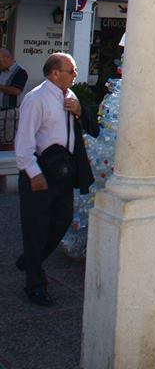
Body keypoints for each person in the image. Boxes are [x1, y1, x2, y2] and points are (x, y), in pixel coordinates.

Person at [14, 52, 98, 306]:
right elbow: (24, 140)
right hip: (41, 171)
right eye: (70, 71)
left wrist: (79, 110)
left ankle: (31, 259)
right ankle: (35, 284)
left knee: (61, 221)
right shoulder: (36, 99)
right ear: (54, 73)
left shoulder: (70, 96)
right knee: (36, 228)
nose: (75, 75)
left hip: (64, 170)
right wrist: (33, 172)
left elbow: (90, 129)